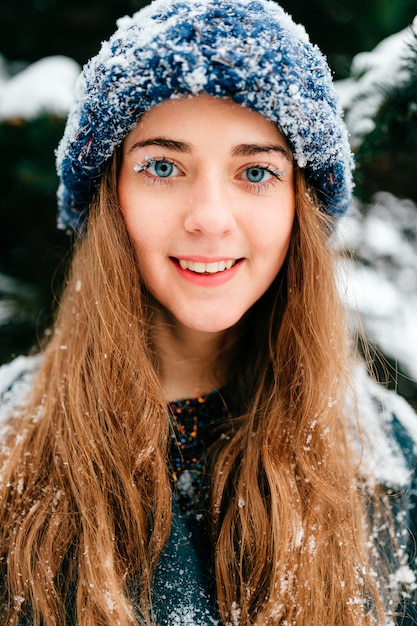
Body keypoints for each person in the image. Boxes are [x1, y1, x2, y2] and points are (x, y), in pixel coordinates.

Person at [0, 0, 416, 624]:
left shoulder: (390, 460)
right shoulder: (8, 442)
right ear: (107, 197)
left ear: (301, 208)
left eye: (255, 171)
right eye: (162, 167)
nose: (210, 218)